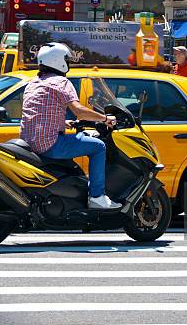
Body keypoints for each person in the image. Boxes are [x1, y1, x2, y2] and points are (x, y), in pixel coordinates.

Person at [20, 43, 119, 209]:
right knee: (99, 147)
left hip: (28, 143)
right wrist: (104, 118)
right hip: (50, 144)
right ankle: (97, 197)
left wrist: (62, 122)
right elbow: (79, 111)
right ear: (58, 61)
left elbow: (40, 112)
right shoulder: (61, 82)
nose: (69, 64)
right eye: (67, 60)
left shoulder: (34, 83)